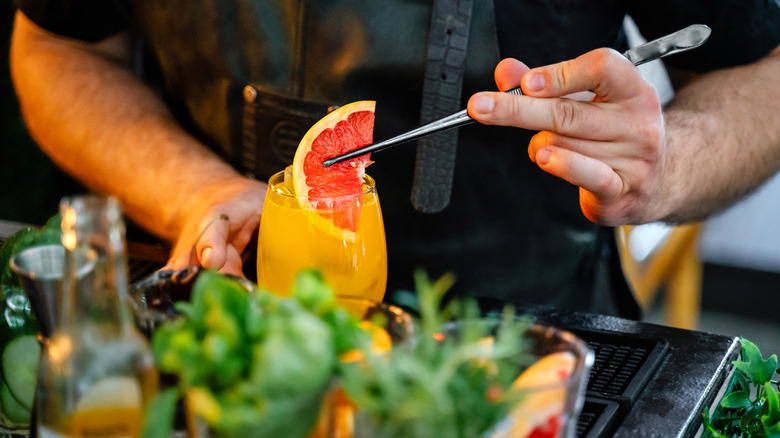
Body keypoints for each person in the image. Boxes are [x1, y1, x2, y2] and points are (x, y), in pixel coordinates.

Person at [9, 1, 780, 318]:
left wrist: (668, 162)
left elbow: (764, 71)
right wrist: (190, 190)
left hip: (522, 334)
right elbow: (57, 46)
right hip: (224, 328)